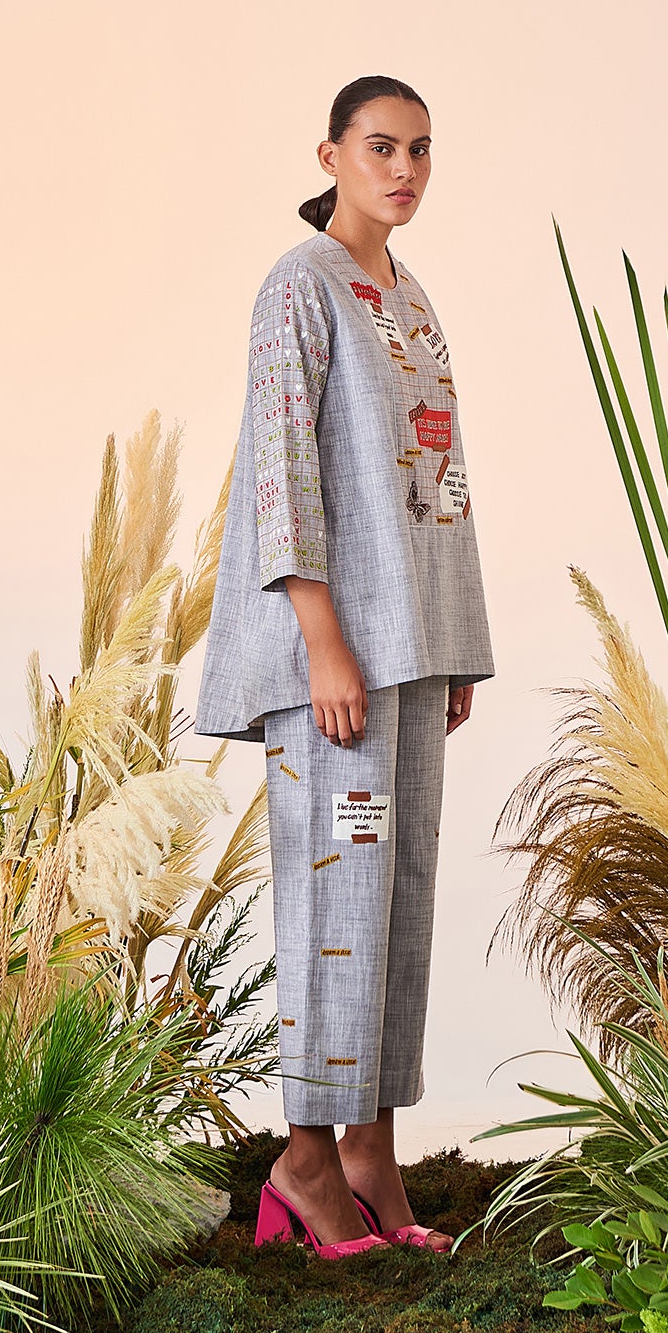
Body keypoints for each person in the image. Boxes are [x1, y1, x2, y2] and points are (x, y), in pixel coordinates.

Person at [194, 74, 495, 1258]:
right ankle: (307, 1161)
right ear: (330, 155)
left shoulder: (408, 296)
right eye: (381, 147)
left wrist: (451, 644)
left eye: (420, 149)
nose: (404, 169)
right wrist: (325, 643)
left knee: (397, 897)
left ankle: (372, 1153)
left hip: (410, 650)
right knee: (336, 894)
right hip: (336, 656)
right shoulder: (298, 287)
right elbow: (283, 471)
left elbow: (440, 483)